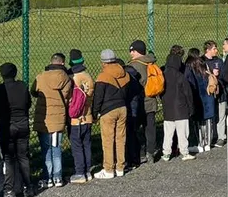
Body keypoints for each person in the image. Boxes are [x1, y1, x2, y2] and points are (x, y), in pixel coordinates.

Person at [0, 62, 33, 197]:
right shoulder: (22, 86)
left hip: (7, 125)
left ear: (2, 75)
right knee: (23, 156)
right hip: (22, 124)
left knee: (9, 158)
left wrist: (1, 116)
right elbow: (28, 104)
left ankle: (9, 189)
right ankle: (28, 186)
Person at [31, 53, 73, 188]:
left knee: (46, 149)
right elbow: (67, 96)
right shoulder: (66, 78)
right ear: (62, 63)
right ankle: (58, 177)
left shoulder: (41, 77)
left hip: (43, 118)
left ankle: (47, 177)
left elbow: (34, 91)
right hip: (58, 118)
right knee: (56, 148)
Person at [92, 49, 130, 178]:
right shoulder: (124, 74)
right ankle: (120, 167)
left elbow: (98, 97)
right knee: (121, 138)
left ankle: (108, 169)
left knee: (108, 140)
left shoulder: (103, 76)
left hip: (108, 110)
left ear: (103, 62)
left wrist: (94, 113)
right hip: (123, 108)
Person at [160, 46, 196, 161]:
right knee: (183, 133)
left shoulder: (163, 75)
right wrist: (191, 107)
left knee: (168, 133)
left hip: (168, 109)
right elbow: (188, 94)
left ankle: (166, 153)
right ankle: (184, 152)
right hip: (181, 109)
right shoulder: (180, 76)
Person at [127, 40, 159, 166]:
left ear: (137, 51)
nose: (131, 53)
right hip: (151, 100)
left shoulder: (135, 65)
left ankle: (140, 153)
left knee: (135, 129)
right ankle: (150, 153)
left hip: (140, 102)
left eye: (132, 51)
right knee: (150, 128)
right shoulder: (151, 61)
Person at [67, 49, 95, 184]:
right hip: (88, 115)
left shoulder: (72, 78)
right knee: (87, 144)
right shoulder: (88, 76)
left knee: (77, 145)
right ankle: (88, 171)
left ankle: (79, 172)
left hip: (76, 118)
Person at [187, 48, 217, 152]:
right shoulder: (204, 64)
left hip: (196, 96)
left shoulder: (189, 66)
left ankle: (200, 143)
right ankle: (207, 143)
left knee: (198, 121)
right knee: (208, 120)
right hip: (207, 94)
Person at [205, 41, 227, 147]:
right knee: (211, 116)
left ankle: (221, 137)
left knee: (221, 115)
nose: (216, 50)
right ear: (208, 50)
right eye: (214, 48)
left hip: (220, 92)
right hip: (209, 93)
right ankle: (211, 136)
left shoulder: (219, 61)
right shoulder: (202, 61)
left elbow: (224, 75)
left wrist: (218, 76)